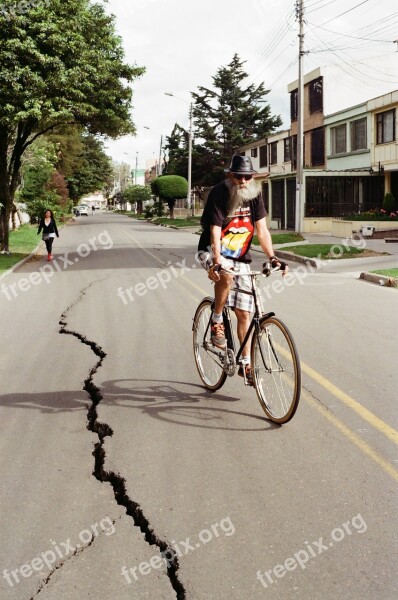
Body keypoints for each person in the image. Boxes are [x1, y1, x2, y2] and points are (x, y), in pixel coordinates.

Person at [198, 154, 287, 384]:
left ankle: (245, 363)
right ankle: (216, 319)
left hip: (241, 257)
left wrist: (273, 257)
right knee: (226, 276)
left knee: (245, 313)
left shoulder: (255, 195)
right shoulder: (220, 193)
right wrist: (217, 260)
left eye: (248, 176)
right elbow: (215, 231)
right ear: (231, 176)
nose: (244, 181)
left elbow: (262, 230)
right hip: (211, 250)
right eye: (239, 176)